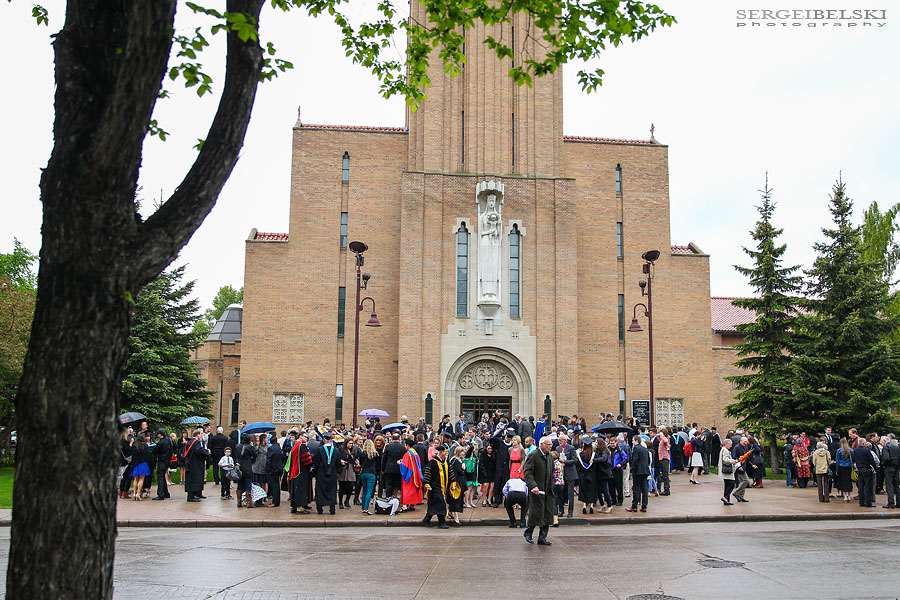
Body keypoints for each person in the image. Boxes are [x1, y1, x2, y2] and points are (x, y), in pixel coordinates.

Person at [522, 436, 555, 545]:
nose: (550, 447)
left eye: (551, 445)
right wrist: (533, 486)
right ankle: (528, 532)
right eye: (548, 445)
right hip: (537, 490)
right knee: (536, 512)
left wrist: (552, 484)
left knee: (548, 513)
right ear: (541, 445)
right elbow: (528, 473)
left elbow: (552, 472)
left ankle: (542, 537)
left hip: (548, 489)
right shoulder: (534, 455)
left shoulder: (550, 456)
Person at [422, 443, 454, 529]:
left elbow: (450, 473)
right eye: (445, 453)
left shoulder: (446, 462)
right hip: (434, 487)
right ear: (441, 453)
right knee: (441, 504)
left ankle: (426, 520)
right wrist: (427, 484)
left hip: (444, 487)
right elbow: (427, 474)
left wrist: (453, 483)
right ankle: (441, 522)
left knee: (434, 505)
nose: (446, 454)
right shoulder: (433, 462)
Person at [312, 431, 341, 515]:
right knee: (332, 490)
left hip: (321, 474)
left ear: (324, 439)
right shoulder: (336, 450)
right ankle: (332, 509)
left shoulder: (319, 450)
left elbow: (316, 462)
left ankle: (320, 509)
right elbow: (338, 463)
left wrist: (315, 473)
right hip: (332, 474)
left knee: (320, 490)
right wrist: (337, 472)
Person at [626, 435, 651, 513]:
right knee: (644, 489)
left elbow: (635, 460)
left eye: (633, 440)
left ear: (636, 441)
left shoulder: (636, 449)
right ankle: (644, 506)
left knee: (636, 488)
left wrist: (632, 469)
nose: (632, 442)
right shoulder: (645, 449)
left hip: (638, 472)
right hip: (645, 471)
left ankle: (634, 505)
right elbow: (648, 460)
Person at [184, 428, 210, 502]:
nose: (201, 435)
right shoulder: (196, 442)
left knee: (191, 479)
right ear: (198, 435)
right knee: (194, 479)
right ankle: (191, 497)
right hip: (195, 464)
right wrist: (207, 451)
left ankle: (192, 495)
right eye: (201, 434)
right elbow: (198, 450)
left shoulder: (190, 442)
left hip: (190, 462)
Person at [399, 437, 424, 511]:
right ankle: (412, 505)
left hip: (409, 475)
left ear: (407, 445)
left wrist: (400, 463)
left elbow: (405, 465)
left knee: (407, 490)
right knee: (413, 490)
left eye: (405, 445)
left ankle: (404, 506)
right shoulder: (415, 453)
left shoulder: (407, 454)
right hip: (416, 474)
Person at [575, 436, 598, 514]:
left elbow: (577, 465)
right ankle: (591, 506)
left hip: (583, 475)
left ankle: (584, 506)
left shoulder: (580, 455)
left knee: (583, 490)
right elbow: (597, 466)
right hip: (592, 475)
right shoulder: (594, 455)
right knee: (592, 490)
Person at [235, 433, 257, 508]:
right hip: (247, 466)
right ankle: (249, 502)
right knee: (248, 484)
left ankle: (239, 501)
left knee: (240, 484)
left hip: (239, 466)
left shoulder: (237, 446)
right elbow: (255, 454)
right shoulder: (249, 447)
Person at [853, 440, 877, 507]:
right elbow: (871, 460)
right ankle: (868, 503)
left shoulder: (856, 450)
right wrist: (874, 469)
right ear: (863, 443)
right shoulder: (866, 450)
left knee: (861, 486)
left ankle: (861, 502)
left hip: (859, 469)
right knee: (867, 486)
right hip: (866, 469)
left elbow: (854, 459)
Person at [381, 432, 406, 499]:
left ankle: (388, 497)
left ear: (392, 438)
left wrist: (383, 469)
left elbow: (384, 458)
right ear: (399, 438)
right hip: (398, 469)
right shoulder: (403, 447)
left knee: (388, 484)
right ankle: (395, 496)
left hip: (389, 468)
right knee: (397, 483)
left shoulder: (388, 446)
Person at [358, 438, 379, 514]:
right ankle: (366, 508)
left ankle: (363, 507)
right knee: (369, 492)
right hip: (371, 473)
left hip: (363, 473)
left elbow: (360, 462)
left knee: (364, 491)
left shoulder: (362, 453)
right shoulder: (374, 454)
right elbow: (377, 464)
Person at [337, 438, 359, 510]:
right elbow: (338, 458)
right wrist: (340, 461)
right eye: (349, 443)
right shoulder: (341, 450)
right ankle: (340, 502)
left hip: (351, 469)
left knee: (351, 485)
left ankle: (347, 500)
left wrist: (356, 461)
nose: (351, 445)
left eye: (352, 443)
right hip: (343, 469)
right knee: (342, 487)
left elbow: (355, 458)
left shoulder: (353, 451)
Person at [129, 433, 151, 501]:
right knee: (141, 479)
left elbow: (131, 452)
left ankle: (134, 493)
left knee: (136, 479)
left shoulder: (135, 445)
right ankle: (138, 493)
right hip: (143, 464)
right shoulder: (145, 446)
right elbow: (148, 455)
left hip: (136, 464)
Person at [595, 437, 614, 513]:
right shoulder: (597, 451)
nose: (595, 444)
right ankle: (602, 504)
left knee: (605, 490)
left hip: (604, 473)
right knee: (598, 490)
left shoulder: (604, 452)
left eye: (597, 443)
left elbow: (604, 459)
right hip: (599, 473)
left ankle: (610, 505)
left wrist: (594, 460)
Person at [152, 429, 172, 500]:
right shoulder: (169, 441)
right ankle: (166, 493)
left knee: (160, 476)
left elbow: (156, 451)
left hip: (161, 460)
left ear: (160, 435)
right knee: (163, 476)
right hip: (167, 460)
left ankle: (160, 494)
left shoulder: (161, 443)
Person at [266, 435, 286, 507]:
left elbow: (269, 460)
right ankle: (277, 500)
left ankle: (275, 502)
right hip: (279, 468)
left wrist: (267, 469)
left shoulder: (271, 449)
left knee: (274, 486)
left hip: (273, 469)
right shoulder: (278, 448)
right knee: (277, 485)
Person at [834, 437, 854, 503]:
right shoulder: (850, 450)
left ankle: (845, 496)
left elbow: (837, 461)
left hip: (842, 467)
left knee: (843, 482)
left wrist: (836, 470)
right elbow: (853, 460)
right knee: (848, 481)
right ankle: (849, 495)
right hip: (849, 467)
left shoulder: (839, 451)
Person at [718, 438, 738, 505]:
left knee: (727, 485)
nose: (731, 446)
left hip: (725, 470)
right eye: (730, 445)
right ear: (727, 444)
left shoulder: (723, 449)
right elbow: (725, 460)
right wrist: (733, 461)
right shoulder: (725, 450)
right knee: (731, 484)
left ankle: (727, 500)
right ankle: (725, 497)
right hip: (727, 470)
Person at [478, 442, 496, 507]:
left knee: (492, 485)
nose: (490, 450)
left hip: (492, 471)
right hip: (485, 472)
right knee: (485, 485)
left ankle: (489, 499)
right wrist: (484, 472)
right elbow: (481, 464)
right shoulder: (483, 454)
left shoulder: (494, 454)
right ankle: (484, 499)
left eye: (491, 449)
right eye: (488, 448)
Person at [654, 428, 671, 495]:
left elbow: (666, 441)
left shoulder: (665, 439)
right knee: (663, 474)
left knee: (665, 475)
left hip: (665, 458)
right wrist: (660, 433)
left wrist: (663, 436)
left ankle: (667, 490)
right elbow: (657, 436)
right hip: (661, 458)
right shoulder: (661, 439)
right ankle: (665, 489)